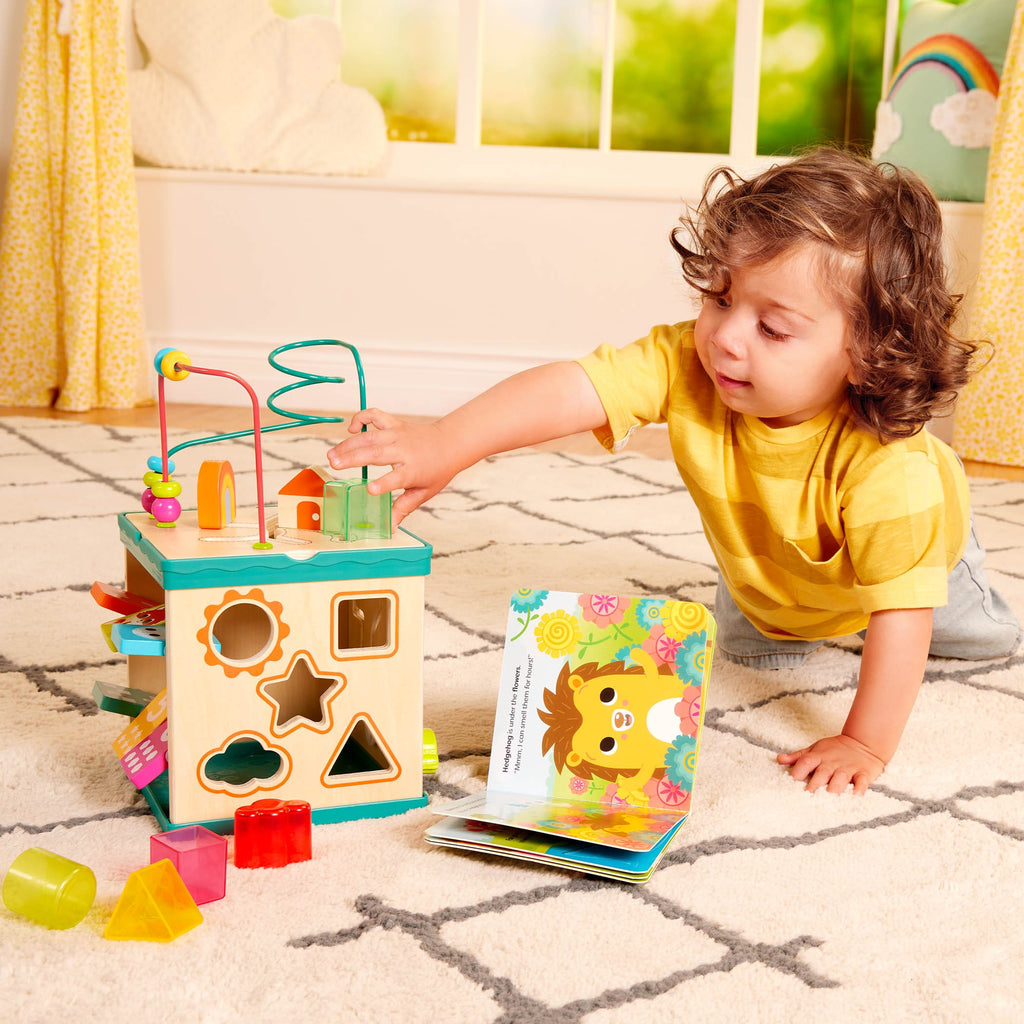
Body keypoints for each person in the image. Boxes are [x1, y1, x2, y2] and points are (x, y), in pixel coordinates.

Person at [326, 147, 1021, 796]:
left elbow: (903, 618)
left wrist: (865, 744)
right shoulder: (688, 365)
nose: (725, 335)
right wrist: (449, 442)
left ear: (869, 352)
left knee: (964, 638)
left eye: (772, 329)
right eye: (720, 299)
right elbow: (574, 389)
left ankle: (979, 602)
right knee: (760, 653)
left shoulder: (893, 475)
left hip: (917, 556)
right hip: (767, 570)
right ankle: (786, 609)